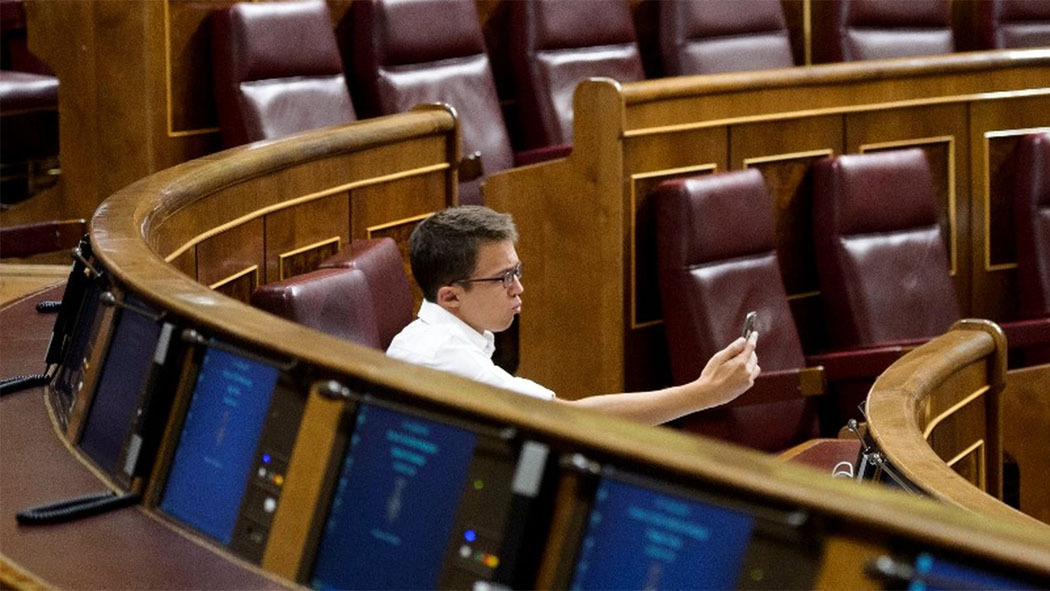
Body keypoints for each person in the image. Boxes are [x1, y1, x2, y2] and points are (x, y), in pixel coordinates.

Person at [387, 205, 760, 426]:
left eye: (517, 271)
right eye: (503, 278)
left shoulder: (444, 338)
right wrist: (705, 393)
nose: (518, 288)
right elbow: (571, 422)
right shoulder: (439, 356)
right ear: (450, 296)